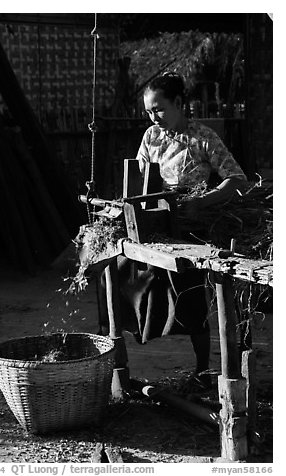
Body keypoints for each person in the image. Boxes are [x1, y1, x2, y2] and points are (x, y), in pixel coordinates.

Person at [100, 73, 247, 390]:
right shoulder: (151, 137)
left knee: (190, 294)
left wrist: (202, 201)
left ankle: (203, 370)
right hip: (154, 219)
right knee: (120, 272)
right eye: (149, 111)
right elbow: (139, 180)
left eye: (159, 109)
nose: (153, 117)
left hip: (187, 223)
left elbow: (236, 179)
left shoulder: (202, 137)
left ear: (180, 103)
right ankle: (118, 366)